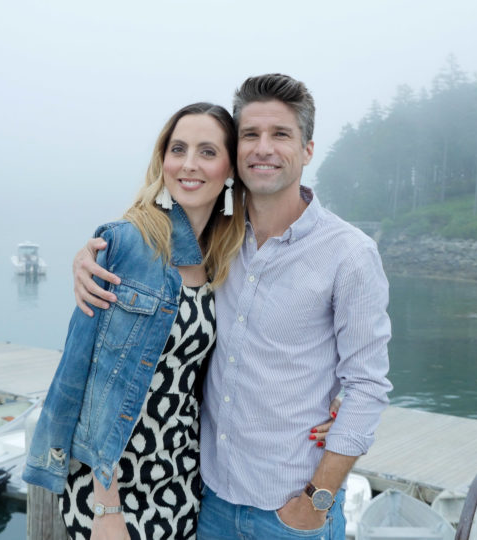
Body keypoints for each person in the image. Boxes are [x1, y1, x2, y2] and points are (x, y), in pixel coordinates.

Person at [73, 74, 392, 539]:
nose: (263, 148)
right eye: (250, 135)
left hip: (291, 512)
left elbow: (367, 386)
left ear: (307, 150)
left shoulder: (350, 254)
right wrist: (89, 255)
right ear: (235, 152)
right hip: (209, 501)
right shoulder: (215, 239)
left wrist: (316, 502)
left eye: (280, 134)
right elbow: (143, 245)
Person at [24, 100, 335, 540]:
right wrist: (106, 507)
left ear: (230, 169)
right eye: (178, 149)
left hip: (184, 482)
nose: (189, 164)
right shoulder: (129, 243)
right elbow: (96, 383)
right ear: (162, 160)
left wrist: (335, 394)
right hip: (115, 486)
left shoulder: (223, 252)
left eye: (207, 152)